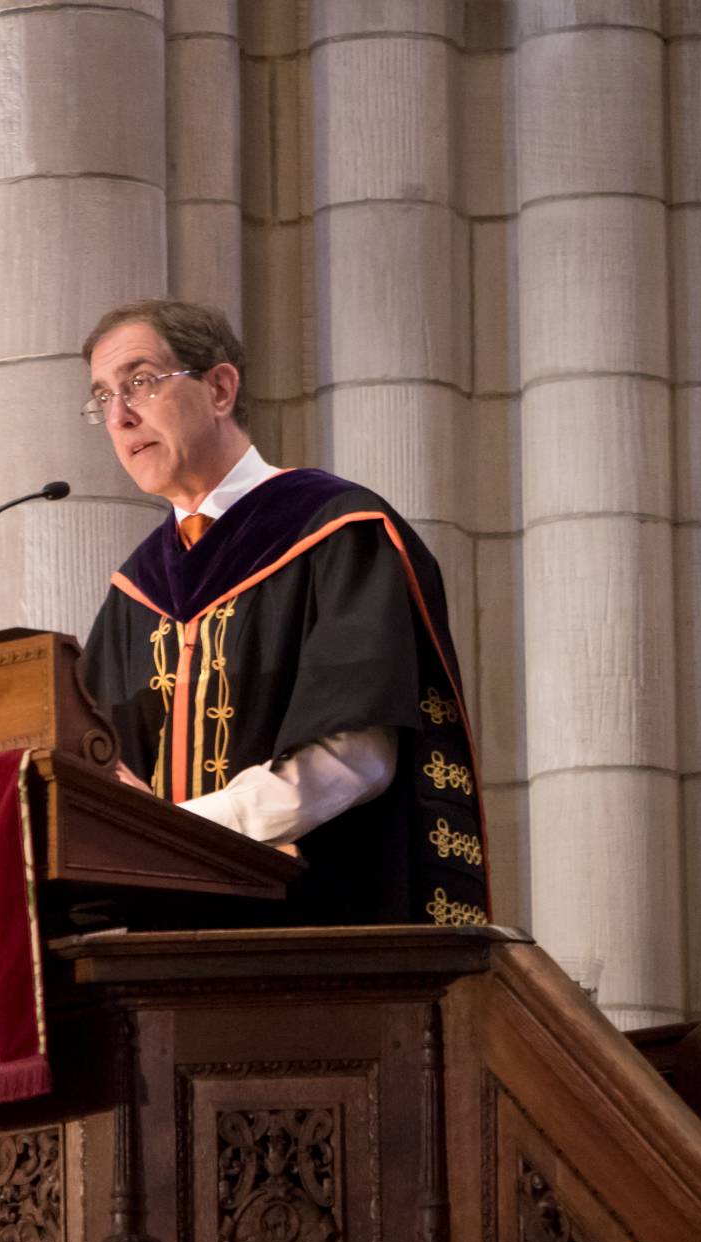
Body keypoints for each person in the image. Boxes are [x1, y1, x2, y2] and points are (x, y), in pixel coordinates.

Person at [80, 299, 488, 927]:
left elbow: (357, 758)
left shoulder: (335, 533)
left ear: (219, 388)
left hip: (311, 935)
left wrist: (185, 833)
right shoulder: (135, 592)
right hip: (158, 943)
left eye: (141, 381)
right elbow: (105, 778)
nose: (121, 415)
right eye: (102, 397)